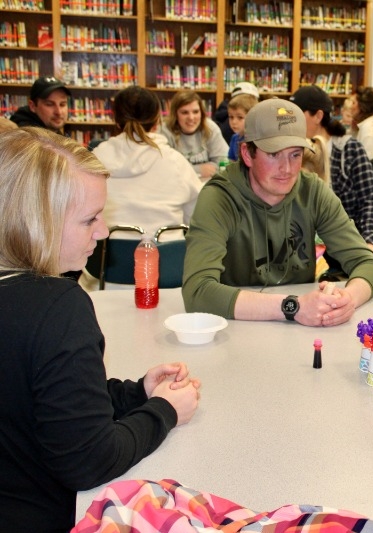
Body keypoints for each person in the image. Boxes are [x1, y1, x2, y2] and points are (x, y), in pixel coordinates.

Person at [0, 127, 201, 531]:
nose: (103, 232)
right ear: (36, 222)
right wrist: (163, 410)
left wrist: (134, 393)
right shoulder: (57, 306)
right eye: (90, 219)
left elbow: (35, 396)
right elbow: (89, 461)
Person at [182, 98, 373, 326]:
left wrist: (347, 299)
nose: (287, 169)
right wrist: (293, 307)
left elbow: (368, 264)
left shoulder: (312, 191)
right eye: (274, 154)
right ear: (248, 154)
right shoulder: (219, 197)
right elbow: (197, 292)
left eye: (295, 155)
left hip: (300, 331)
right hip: (238, 327)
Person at [290, 84, 373, 264]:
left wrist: (369, 241)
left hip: (341, 244)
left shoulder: (349, 150)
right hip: (302, 244)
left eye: (297, 115)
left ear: (318, 116)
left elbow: (369, 200)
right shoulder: (293, 150)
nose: (292, 122)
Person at [92, 86, 201, 239]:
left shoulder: (95, 159)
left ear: (115, 120)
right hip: (167, 258)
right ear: (157, 120)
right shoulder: (174, 161)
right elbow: (196, 218)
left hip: (109, 259)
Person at [160, 89, 229, 181]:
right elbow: (164, 169)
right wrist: (198, 169)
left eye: (196, 112)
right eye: (184, 112)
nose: (191, 118)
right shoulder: (165, 131)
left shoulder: (210, 127)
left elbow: (224, 162)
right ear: (175, 114)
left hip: (209, 185)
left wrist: (184, 170)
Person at [226, 83, 260, 162]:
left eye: (240, 117)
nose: (234, 122)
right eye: (231, 117)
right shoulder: (234, 138)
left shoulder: (256, 140)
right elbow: (231, 161)